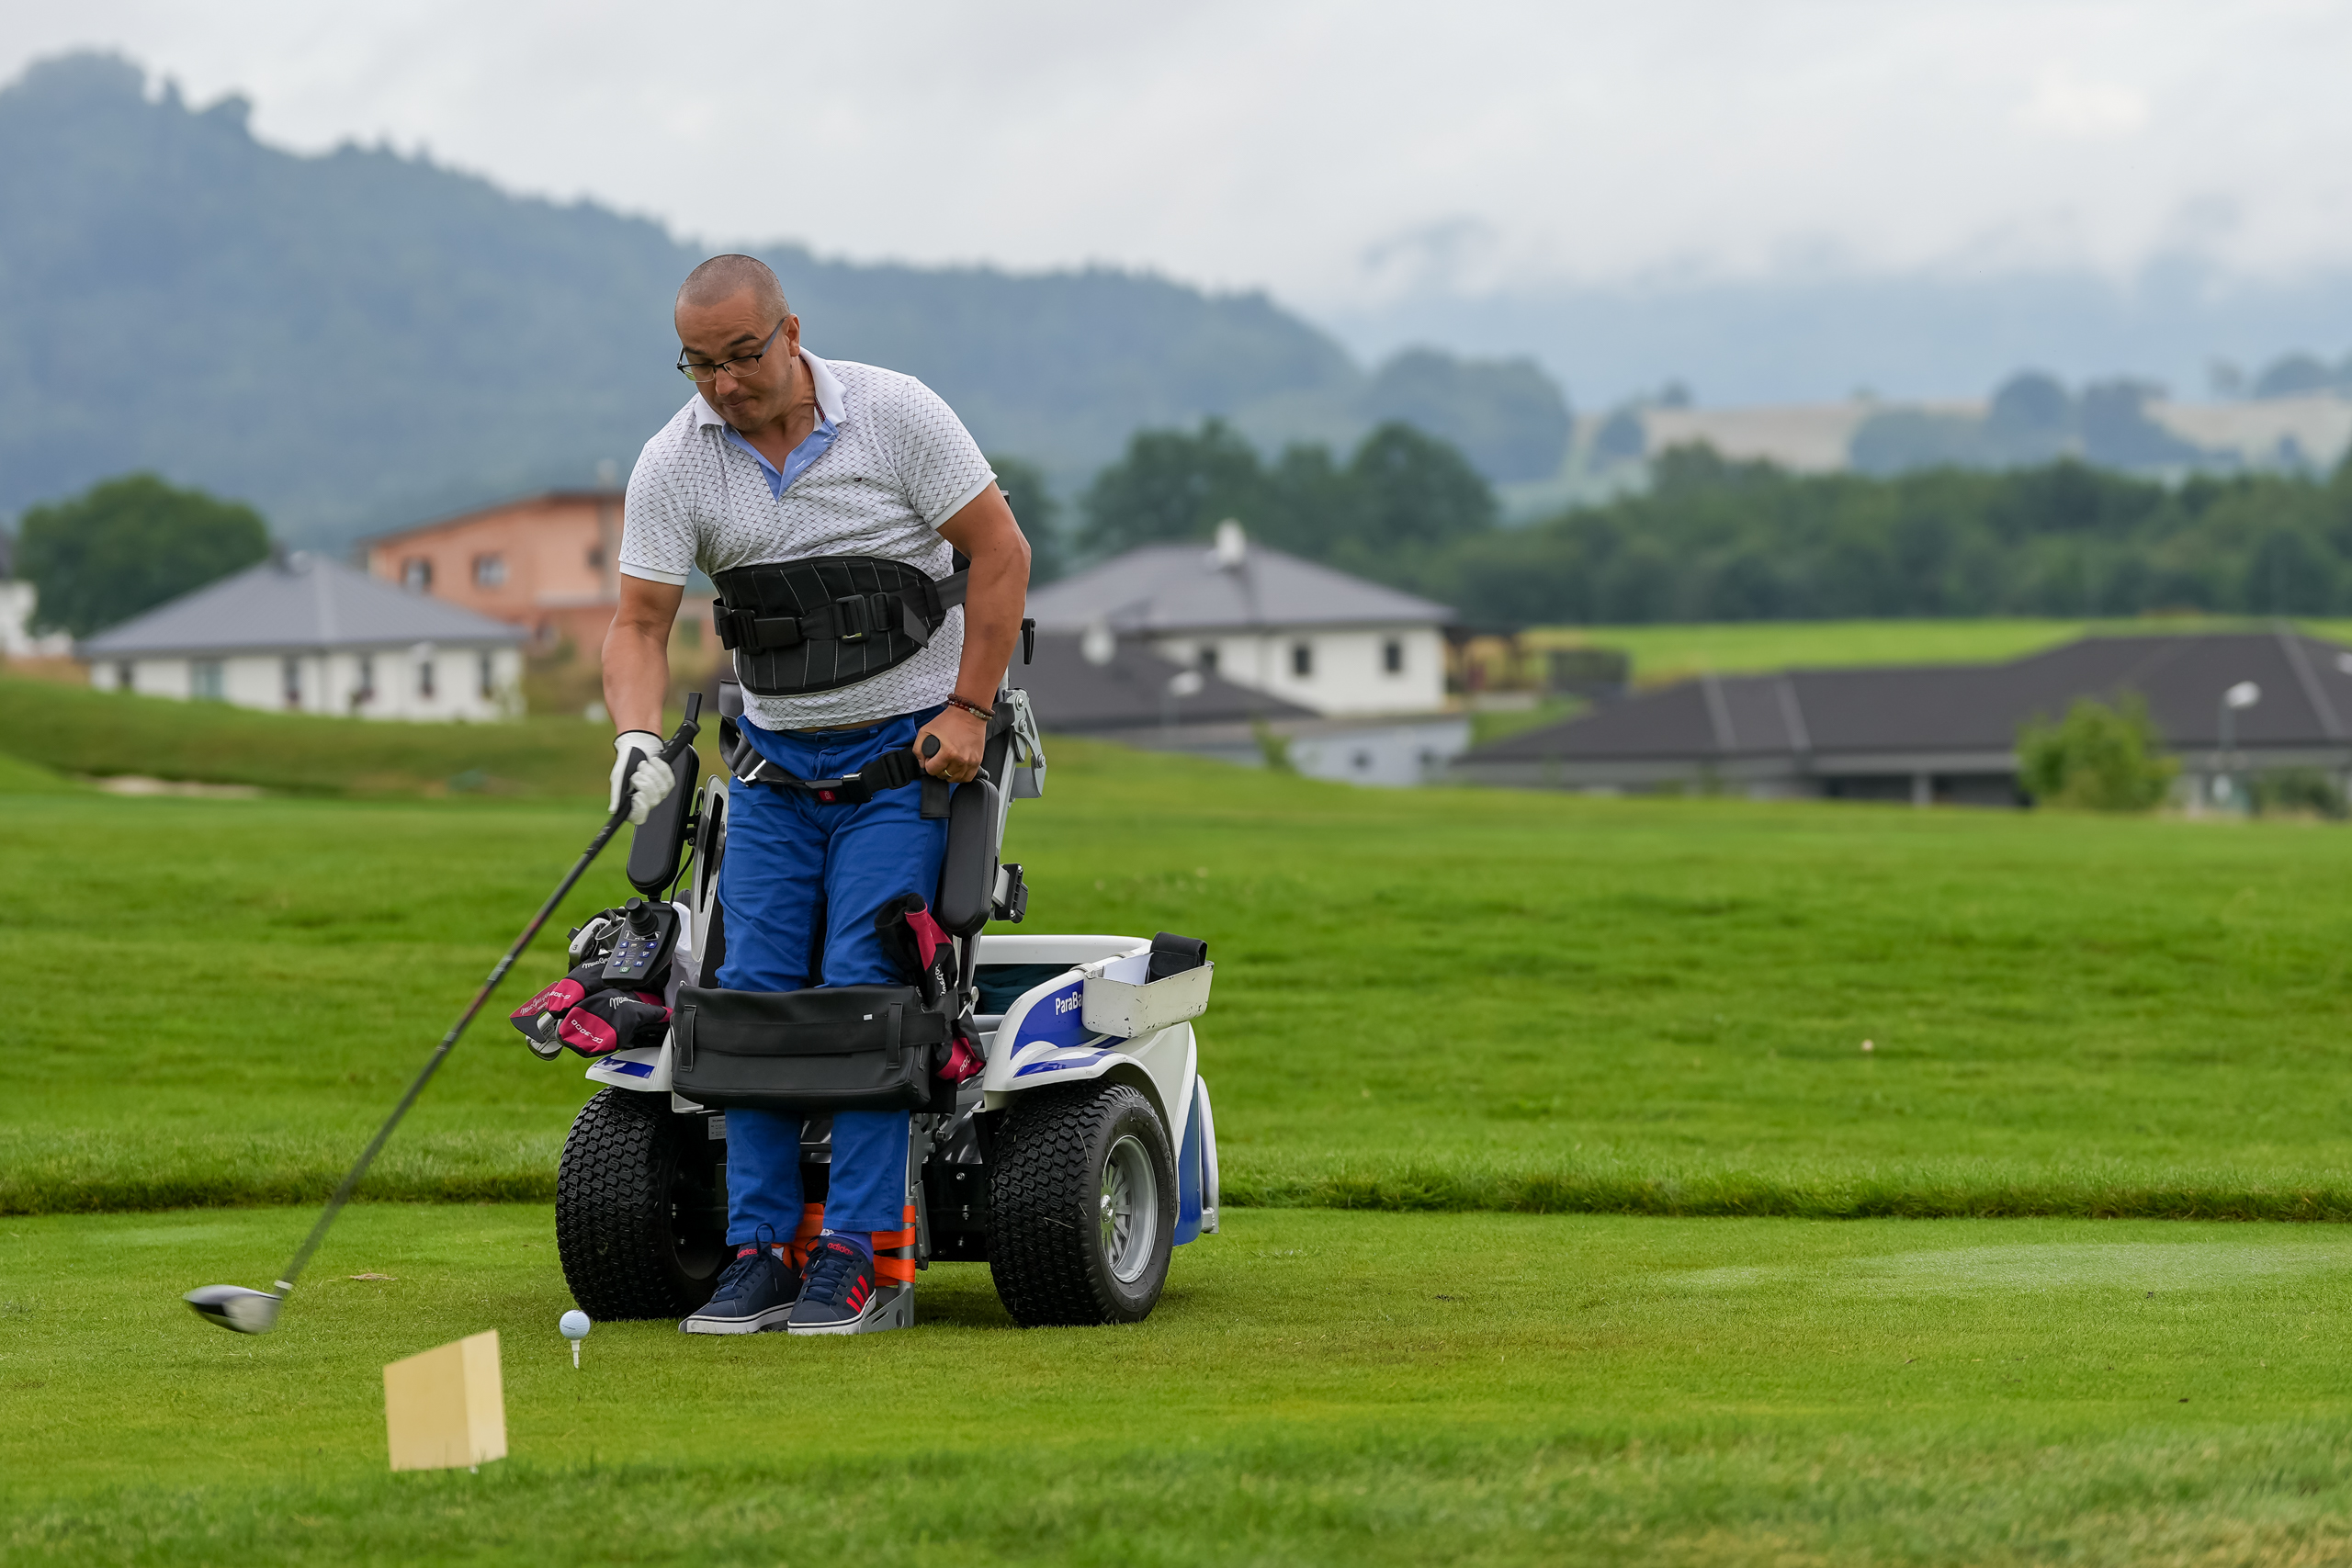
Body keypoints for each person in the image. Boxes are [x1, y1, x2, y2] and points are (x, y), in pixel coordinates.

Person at [602, 254, 1030, 1336]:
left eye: (743, 357)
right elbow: (641, 622)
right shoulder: (675, 462)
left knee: (862, 985)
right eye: (700, 365)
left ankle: (858, 1256)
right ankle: (757, 1253)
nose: (723, 385)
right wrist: (638, 739)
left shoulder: (896, 415)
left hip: (906, 765)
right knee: (745, 989)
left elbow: (999, 552)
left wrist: (971, 711)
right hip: (774, 771)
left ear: (791, 333)